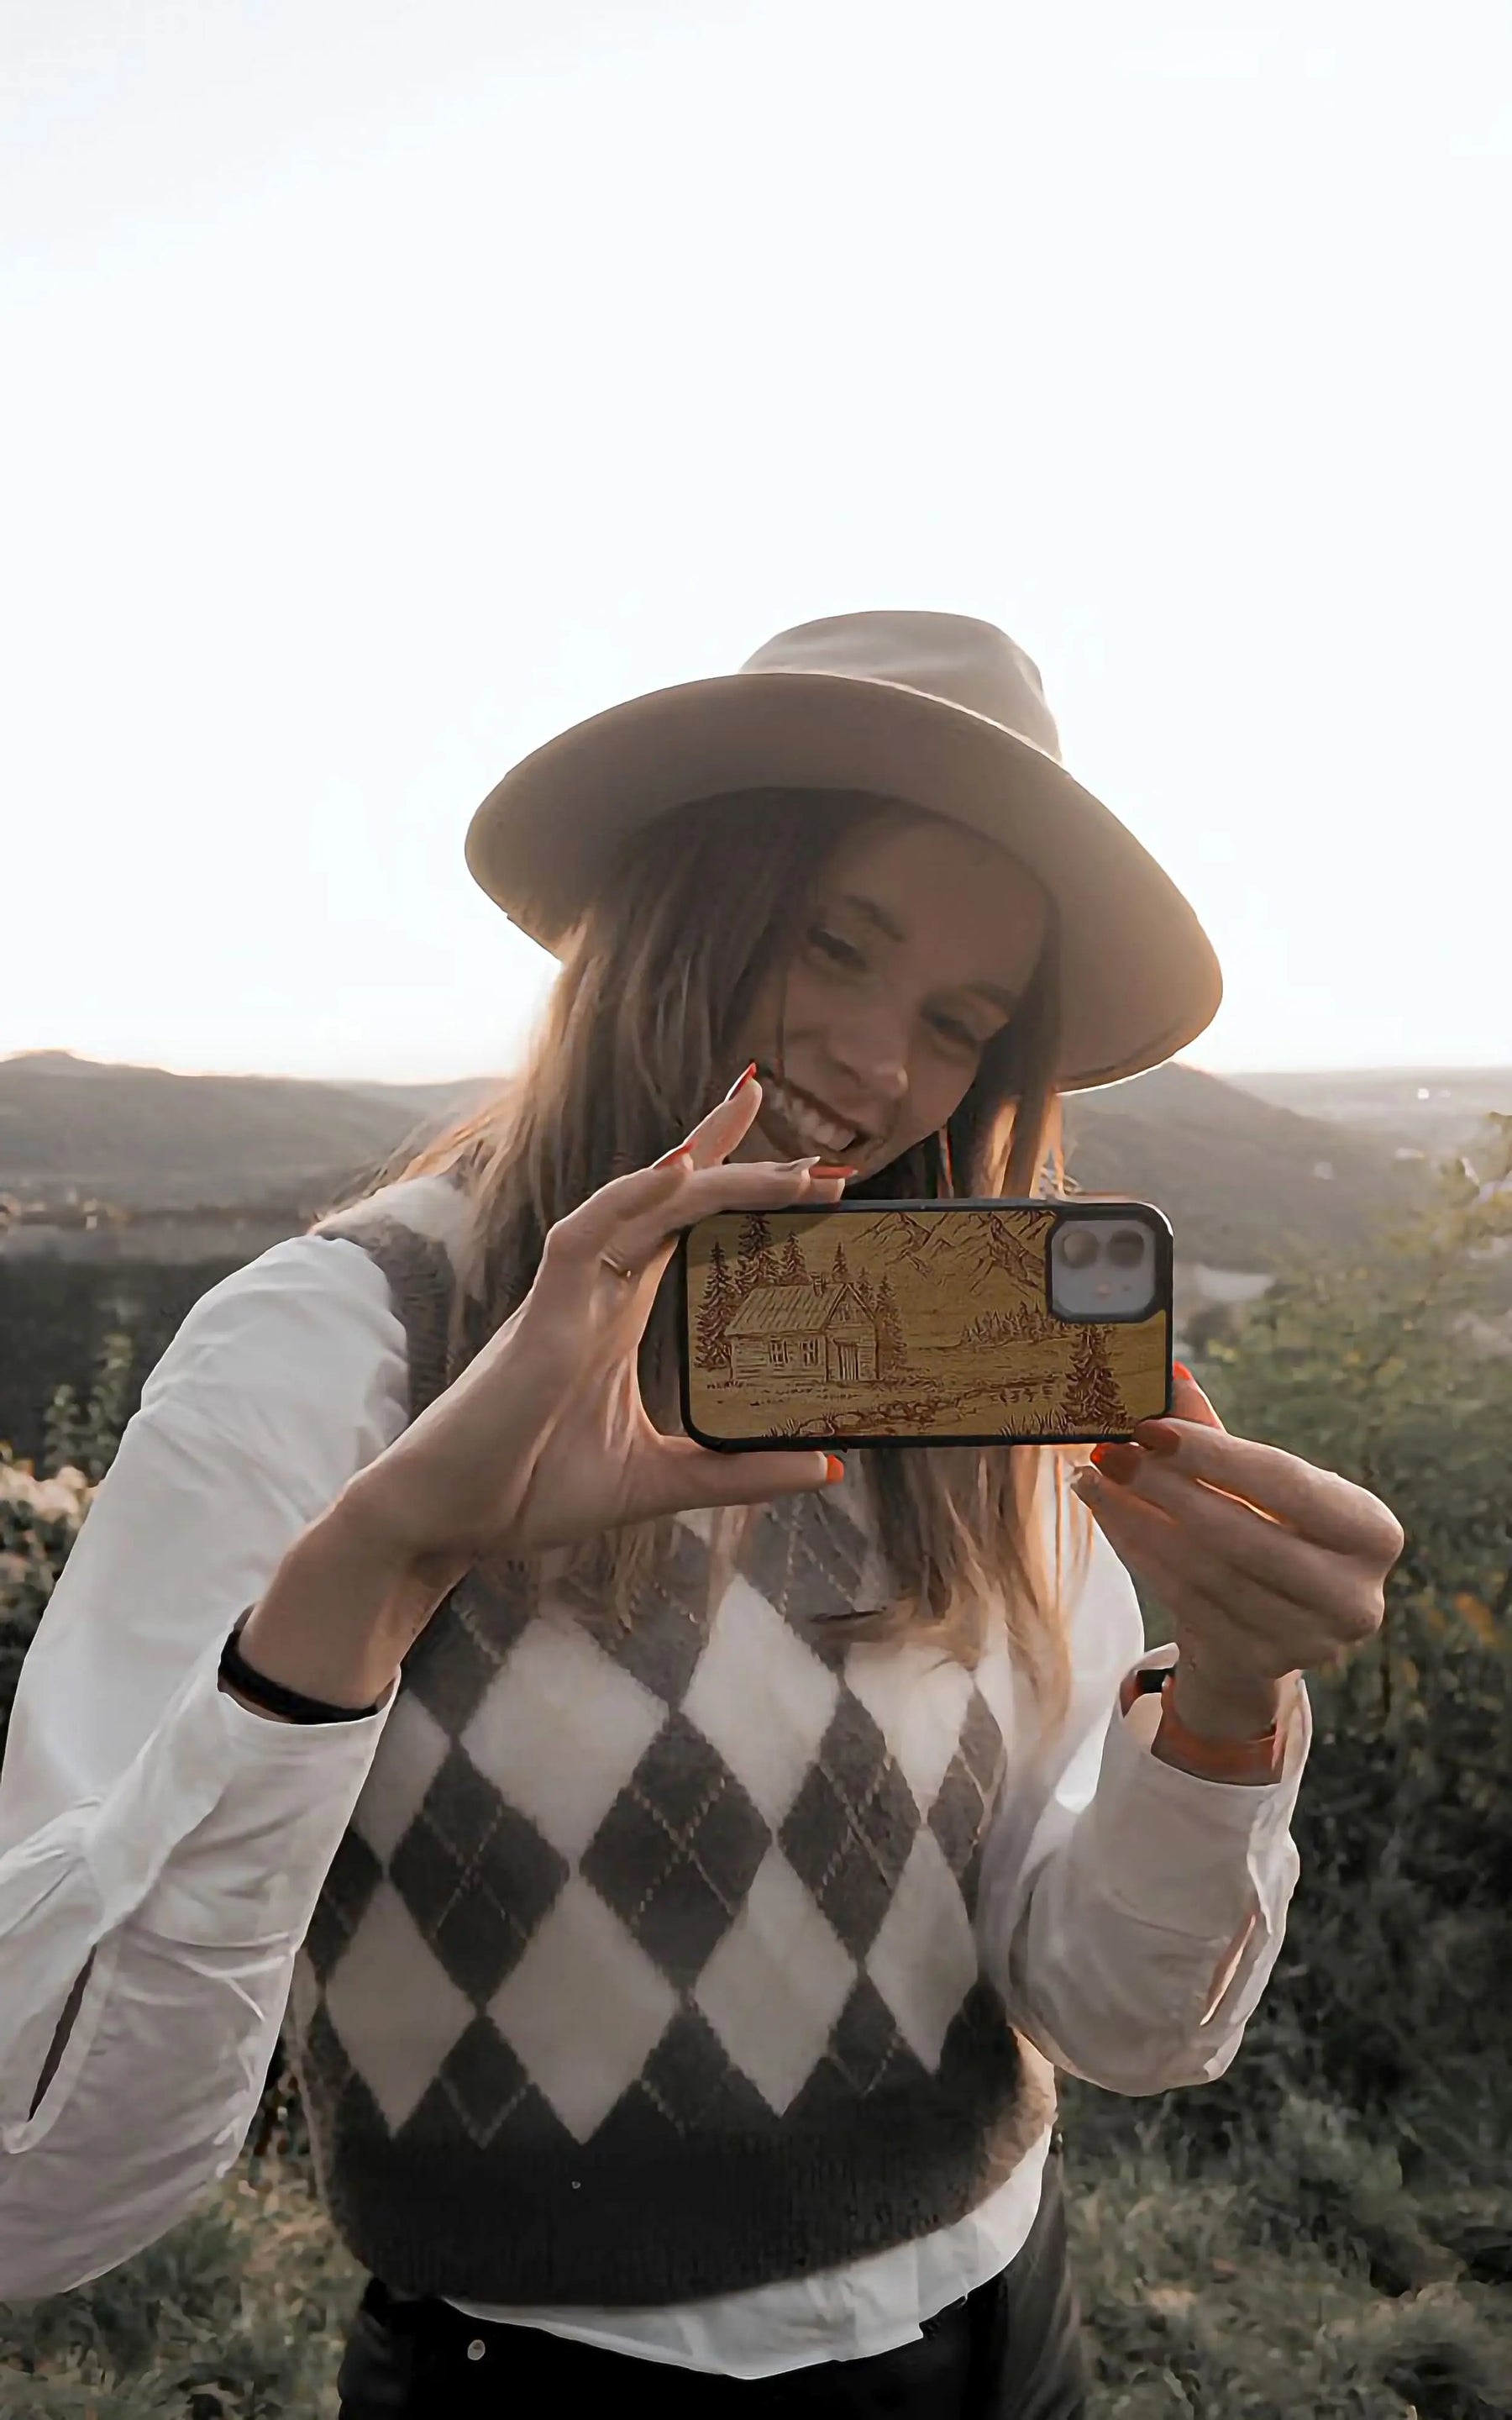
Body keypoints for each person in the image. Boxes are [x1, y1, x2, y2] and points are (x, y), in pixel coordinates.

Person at [0, 613, 1402, 2416]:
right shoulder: (331, 1351)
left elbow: (1118, 2020)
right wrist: (378, 1573)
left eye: (960, 1025)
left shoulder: (965, 1374)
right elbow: (46, 2188)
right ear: (676, 901)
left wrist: (1224, 1714)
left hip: (1010, 2338)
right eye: (836, 941)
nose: (881, 1066)